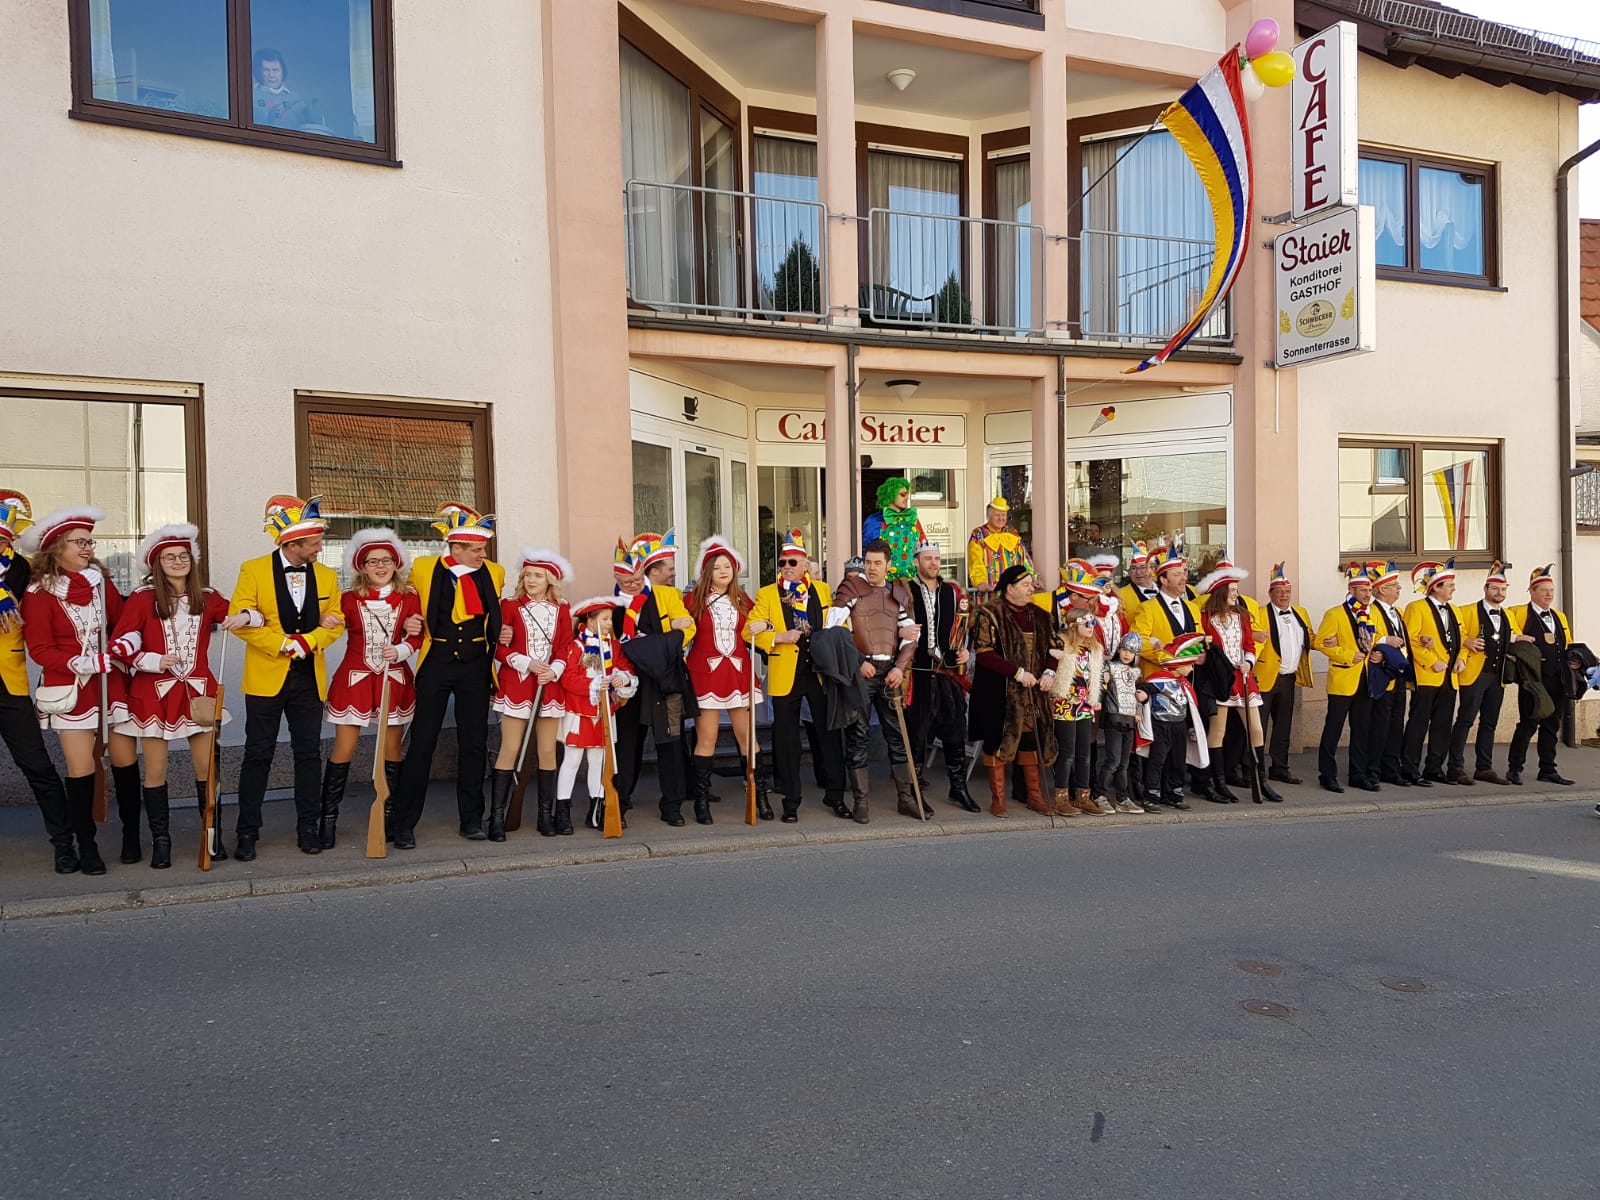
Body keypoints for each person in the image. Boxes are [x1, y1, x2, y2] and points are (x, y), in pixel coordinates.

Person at [109, 523, 245, 869]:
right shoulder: (142, 598)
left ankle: (211, 834)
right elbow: (120, 645)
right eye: (169, 557)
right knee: (156, 771)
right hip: (153, 693)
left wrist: (246, 616)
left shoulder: (208, 596)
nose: (178, 561)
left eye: (183, 556)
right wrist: (153, 660)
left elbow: (241, 615)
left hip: (198, 693)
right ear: (157, 563)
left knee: (208, 768)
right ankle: (161, 842)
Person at [19, 505, 138, 876]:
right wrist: (83, 663)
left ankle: (132, 836)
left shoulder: (100, 583)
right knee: (81, 767)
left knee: (125, 759)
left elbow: (122, 621)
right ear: (57, 547)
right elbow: (40, 650)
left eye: (90, 542)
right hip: (70, 687)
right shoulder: (39, 593)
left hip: (110, 683)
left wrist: (125, 643)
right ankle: (86, 845)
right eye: (80, 542)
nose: (88, 548)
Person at [229, 495, 343, 859]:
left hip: (309, 678)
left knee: (308, 754)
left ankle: (308, 827)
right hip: (266, 677)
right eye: (314, 543)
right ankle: (247, 831)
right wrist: (280, 644)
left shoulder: (327, 575)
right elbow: (240, 620)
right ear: (292, 544)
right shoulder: (253, 570)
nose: (320, 548)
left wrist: (310, 640)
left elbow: (336, 620)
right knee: (257, 754)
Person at [390, 503, 504, 849]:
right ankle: (404, 823)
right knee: (422, 741)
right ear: (455, 547)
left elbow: (497, 614)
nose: (483, 554)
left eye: (483, 549)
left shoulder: (494, 572)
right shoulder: (424, 568)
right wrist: (409, 622)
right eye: (477, 549)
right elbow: (406, 602)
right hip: (436, 661)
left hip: (476, 664)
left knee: (474, 743)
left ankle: (471, 819)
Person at [323, 530, 423, 847]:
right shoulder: (348, 599)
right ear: (362, 567)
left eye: (386, 560)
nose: (380, 566)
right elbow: (332, 624)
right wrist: (324, 620)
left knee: (392, 750)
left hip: (393, 678)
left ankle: (390, 816)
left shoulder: (409, 597)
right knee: (344, 748)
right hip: (354, 679)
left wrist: (403, 649)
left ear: (396, 563)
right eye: (373, 561)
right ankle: (327, 819)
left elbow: (418, 636)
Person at [746, 530, 849, 822]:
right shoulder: (767, 594)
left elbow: (837, 623)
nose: (787, 567)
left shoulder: (822, 590)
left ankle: (836, 795)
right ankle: (791, 801)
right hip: (786, 673)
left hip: (819, 672)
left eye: (792, 562)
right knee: (787, 741)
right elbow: (748, 630)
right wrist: (778, 636)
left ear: (805, 565)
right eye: (782, 563)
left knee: (829, 735)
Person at [0, 491, 77, 873]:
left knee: (39, 767)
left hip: (9, 684)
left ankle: (64, 844)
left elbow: (66, 586)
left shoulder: (25, 569)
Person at [831, 539, 921, 821]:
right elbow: (833, 631)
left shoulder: (898, 594)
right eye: (868, 562)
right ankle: (861, 802)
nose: (871, 567)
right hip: (861, 675)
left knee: (897, 737)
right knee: (858, 737)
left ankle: (906, 798)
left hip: (890, 672)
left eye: (877, 563)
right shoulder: (850, 589)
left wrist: (900, 668)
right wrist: (858, 662)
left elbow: (911, 635)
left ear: (888, 565)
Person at [611, 531, 696, 825]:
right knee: (627, 744)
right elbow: (612, 643)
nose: (632, 585)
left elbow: (688, 629)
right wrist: (666, 636)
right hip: (629, 682)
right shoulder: (613, 603)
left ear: (644, 573)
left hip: (664, 678)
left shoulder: (668, 595)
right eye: (626, 581)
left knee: (670, 743)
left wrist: (657, 643)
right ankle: (618, 804)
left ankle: (672, 805)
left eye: (636, 579)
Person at [684, 536, 769, 823]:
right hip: (705, 675)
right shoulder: (692, 600)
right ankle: (702, 800)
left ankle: (759, 794)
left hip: (738, 673)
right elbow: (680, 632)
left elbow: (759, 625)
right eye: (717, 567)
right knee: (707, 737)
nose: (723, 571)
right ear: (707, 570)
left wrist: (765, 623)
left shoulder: (743, 599)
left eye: (728, 566)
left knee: (747, 736)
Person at [491, 548, 574, 837]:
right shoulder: (510, 606)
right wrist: (527, 663)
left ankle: (545, 816)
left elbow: (565, 645)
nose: (531, 580)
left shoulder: (562, 608)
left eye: (538, 575)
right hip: (518, 684)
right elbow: (499, 648)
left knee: (548, 750)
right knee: (510, 748)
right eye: (527, 575)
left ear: (550, 579)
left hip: (549, 685)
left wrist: (555, 669)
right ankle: (497, 817)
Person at [969, 564, 1057, 816]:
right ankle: (998, 799)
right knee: (996, 740)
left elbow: (1054, 648)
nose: (1031, 589)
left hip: (1033, 691)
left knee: (1030, 740)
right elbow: (984, 652)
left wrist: (1049, 672)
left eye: (1031, 584)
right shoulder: (989, 613)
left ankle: (1034, 796)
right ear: (1009, 588)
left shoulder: (1041, 615)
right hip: (999, 690)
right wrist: (1017, 673)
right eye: (1026, 585)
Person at [905, 540, 978, 813]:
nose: (934, 563)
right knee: (918, 733)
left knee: (955, 729)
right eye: (928, 558)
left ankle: (958, 787)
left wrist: (964, 652)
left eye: (936, 558)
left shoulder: (951, 591)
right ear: (917, 562)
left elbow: (961, 630)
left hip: (947, 672)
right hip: (918, 672)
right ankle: (914, 790)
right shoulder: (906, 591)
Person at [558, 597, 638, 831]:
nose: (609, 623)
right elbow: (568, 678)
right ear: (590, 621)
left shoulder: (614, 646)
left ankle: (597, 812)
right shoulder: (576, 647)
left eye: (610, 619)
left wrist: (621, 678)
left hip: (604, 713)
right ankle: (562, 813)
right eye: (604, 619)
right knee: (571, 761)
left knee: (598, 763)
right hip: (578, 712)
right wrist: (593, 684)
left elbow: (627, 669)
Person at [1195, 561, 1271, 803]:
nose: (1237, 594)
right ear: (1221, 590)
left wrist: (1248, 661)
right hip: (1219, 680)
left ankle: (1261, 780)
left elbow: (1249, 644)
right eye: (1233, 590)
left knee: (1256, 729)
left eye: (1237, 590)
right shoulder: (1205, 617)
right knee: (1218, 731)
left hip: (1243, 677)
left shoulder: (1242, 616)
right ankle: (1217, 782)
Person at [1313, 563, 1385, 793]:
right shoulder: (1335, 613)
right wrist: (1346, 654)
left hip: (1366, 678)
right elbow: (1320, 643)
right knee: (1333, 729)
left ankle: (1357, 774)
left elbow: (1379, 638)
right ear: (1351, 590)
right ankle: (1327, 774)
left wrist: (1379, 652)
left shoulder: (1373, 613)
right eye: (1363, 590)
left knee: (1361, 729)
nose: (1368, 594)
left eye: (1370, 590)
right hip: (1343, 678)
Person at [1505, 564, 1575, 786]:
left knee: (1552, 725)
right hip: (1533, 680)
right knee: (1528, 724)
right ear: (1532, 591)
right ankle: (1514, 768)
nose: (1548, 595)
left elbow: (1567, 643)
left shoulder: (1559, 616)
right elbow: (1507, 634)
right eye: (1544, 590)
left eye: (1551, 591)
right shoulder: (1517, 612)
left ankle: (1547, 769)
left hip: (1557, 679)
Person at [1447, 560, 1514, 785]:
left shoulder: (1508, 615)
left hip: (1498, 675)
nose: (1499, 593)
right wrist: (1466, 642)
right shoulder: (1466, 611)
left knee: (1489, 722)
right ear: (1485, 588)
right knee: (1465, 720)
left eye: (1503, 589)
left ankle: (1484, 767)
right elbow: (1455, 634)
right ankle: (1455, 767)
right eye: (1495, 588)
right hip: (1474, 673)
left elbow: (1514, 635)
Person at [1401, 560, 1465, 785]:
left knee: (1443, 724)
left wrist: (1461, 658)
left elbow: (1463, 638)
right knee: (1418, 723)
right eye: (1449, 585)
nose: (1453, 588)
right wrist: (1431, 661)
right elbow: (1409, 639)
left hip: (1450, 677)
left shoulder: (1455, 610)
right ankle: (1409, 768)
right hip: (1427, 675)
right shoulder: (1416, 608)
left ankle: (1434, 768)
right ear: (1436, 587)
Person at [1254, 563, 1313, 787]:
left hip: (1289, 678)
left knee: (1283, 726)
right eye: (1279, 592)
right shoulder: (1260, 613)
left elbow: (1309, 637)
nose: (1284, 595)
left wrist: (1327, 642)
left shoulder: (1301, 612)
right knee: (1259, 727)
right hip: (1264, 677)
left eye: (1287, 591)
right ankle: (1256, 770)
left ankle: (1280, 768)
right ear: (1270, 593)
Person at [1367, 560, 1418, 787]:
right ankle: (1372, 769)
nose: (1399, 589)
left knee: (1396, 723)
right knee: (1379, 724)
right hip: (1382, 675)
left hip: (1398, 674)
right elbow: (1364, 634)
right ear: (1382, 589)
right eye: (1394, 585)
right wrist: (1382, 641)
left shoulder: (1397, 611)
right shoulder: (1371, 610)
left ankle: (1391, 768)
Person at [1142, 632, 1207, 810]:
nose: (1191, 669)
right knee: (1157, 760)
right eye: (1189, 665)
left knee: (1178, 761)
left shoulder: (1183, 683)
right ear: (1178, 665)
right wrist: (1143, 695)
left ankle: (1173, 793)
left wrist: (1191, 727)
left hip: (1179, 725)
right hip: (1160, 725)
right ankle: (1151, 795)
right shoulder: (1159, 680)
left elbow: (1191, 707)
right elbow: (1145, 689)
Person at [1048, 611, 1104, 816]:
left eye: (1093, 623)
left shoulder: (1095, 648)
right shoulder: (1061, 643)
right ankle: (1061, 797)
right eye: (1086, 623)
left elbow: (1095, 676)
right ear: (1073, 625)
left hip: (1085, 704)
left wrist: (1095, 696)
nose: (1091, 627)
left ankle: (1082, 796)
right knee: (1067, 751)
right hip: (1064, 702)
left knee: (1084, 752)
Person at [1099, 632, 1149, 813]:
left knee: (1123, 764)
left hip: (1130, 721)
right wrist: (1103, 680)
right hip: (1114, 718)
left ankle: (1122, 798)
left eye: (1132, 651)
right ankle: (1099, 795)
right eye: (1125, 650)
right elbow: (1100, 686)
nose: (1127, 654)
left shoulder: (1136, 672)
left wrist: (1139, 710)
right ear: (1119, 650)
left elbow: (1138, 694)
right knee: (1113, 761)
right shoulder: (1110, 667)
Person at [1134, 540, 1201, 676]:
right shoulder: (1147, 608)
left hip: (1190, 679)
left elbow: (1200, 638)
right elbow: (1137, 641)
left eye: (1183, 573)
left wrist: (1202, 651)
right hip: (1159, 679)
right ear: (1164, 580)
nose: (1183, 578)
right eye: (1177, 575)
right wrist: (1167, 657)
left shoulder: (1193, 608)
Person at [966, 496, 1032, 598]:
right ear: (988, 516)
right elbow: (975, 561)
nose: (1001, 518)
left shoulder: (1012, 532)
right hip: (991, 592)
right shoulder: (978, 534)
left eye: (1003, 515)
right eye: (997, 515)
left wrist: (1032, 577)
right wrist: (980, 582)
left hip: (1014, 592)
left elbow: (1024, 558)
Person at [861, 477, 925, 581]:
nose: (906, 498)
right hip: (884, 581)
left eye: (907, 495)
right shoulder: (874, 521)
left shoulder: (912, 520)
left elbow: (924, 547)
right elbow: (866, 552)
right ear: (891, 495)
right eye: (903, 494)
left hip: (912, 580)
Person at [252, 48, 311, 128]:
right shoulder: (251, 95)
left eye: (275, 70)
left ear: (283, 71)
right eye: (266, 70)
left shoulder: (297, 101)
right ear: (258, 71)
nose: (271, 75)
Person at [1118, 540, 1160, 627]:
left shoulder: (1165, 590)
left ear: (1152, 569)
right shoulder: (1121, 595)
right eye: (1134, 568)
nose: (1138, 572)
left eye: (1143, 567)